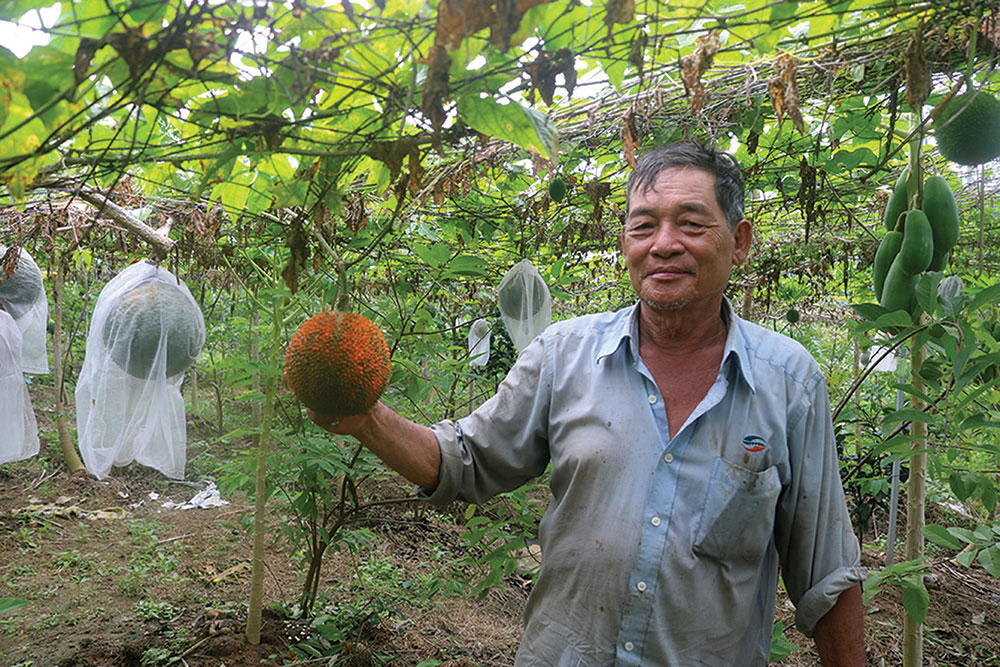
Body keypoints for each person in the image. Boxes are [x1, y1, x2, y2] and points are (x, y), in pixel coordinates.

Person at [311, 142, 865, 666]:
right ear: (625, 242)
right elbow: (468, 460)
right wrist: (369, 420)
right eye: (643, 225)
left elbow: (827, 574)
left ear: (740, 241)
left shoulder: (788, 382)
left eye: (691, 224)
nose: (663, 243)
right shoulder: (564, 356)